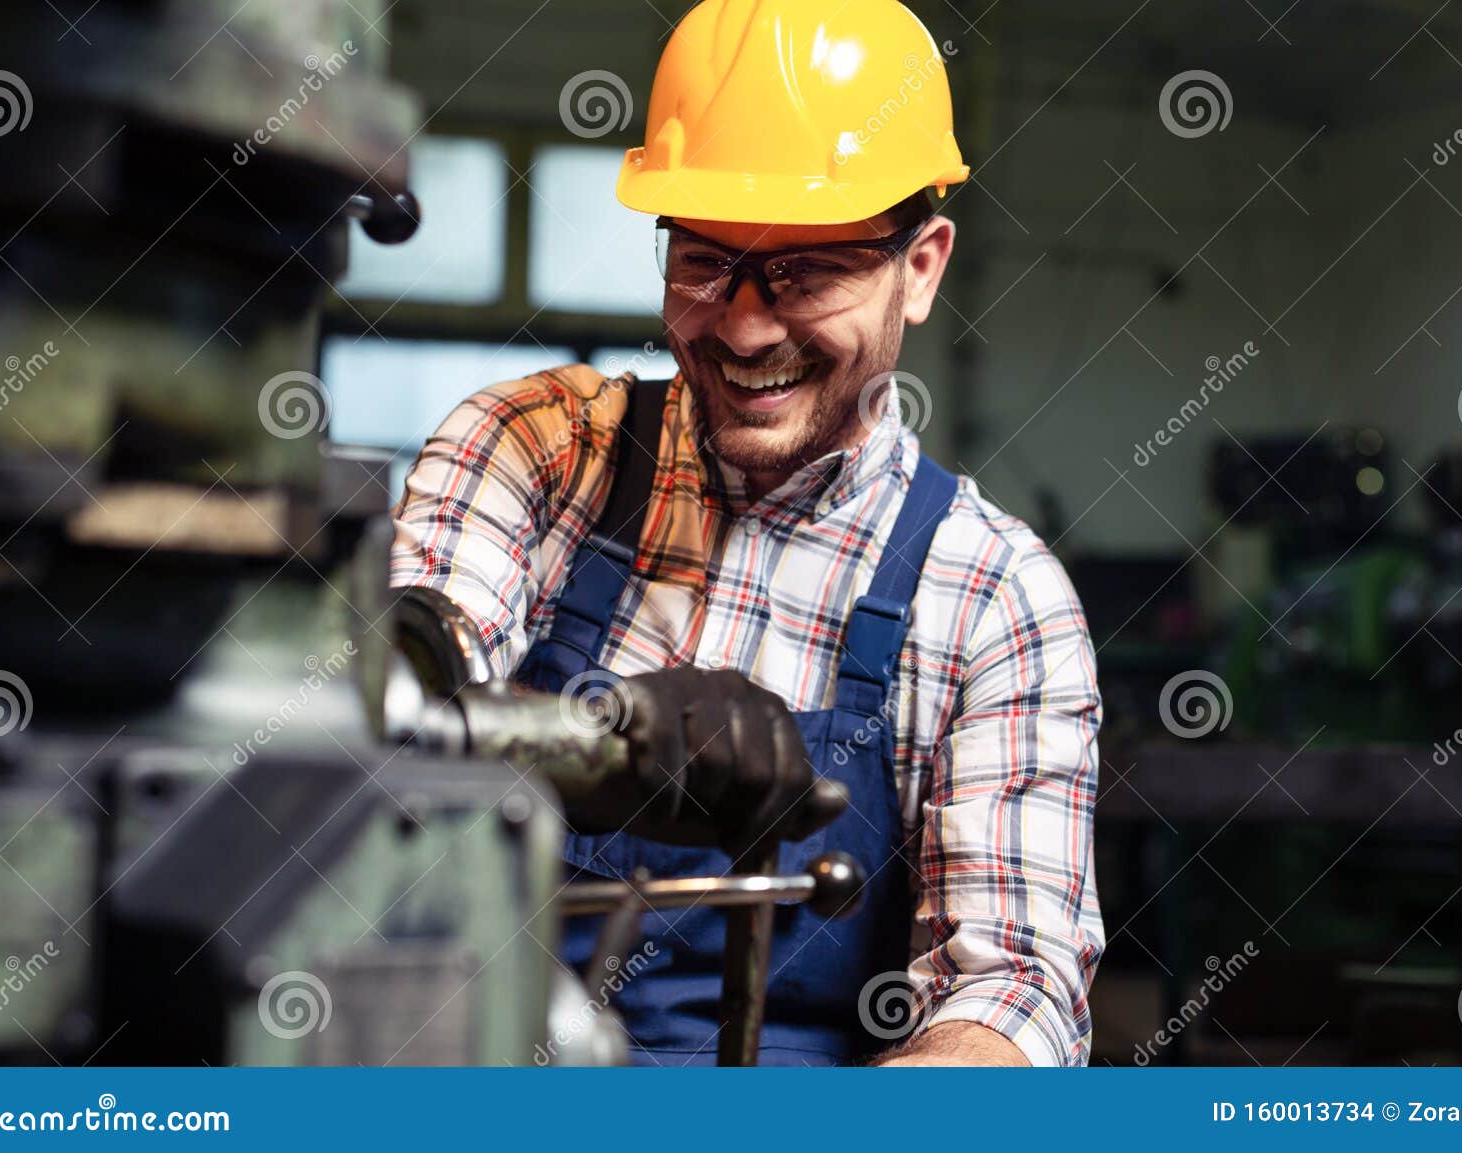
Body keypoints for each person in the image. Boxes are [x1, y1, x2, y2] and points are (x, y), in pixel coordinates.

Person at [391, 0, 1103, 1067]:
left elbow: (1012, 990)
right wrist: (589, 735)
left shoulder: (994, 595)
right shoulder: (537, 449)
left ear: (920, 266)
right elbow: (380, 717)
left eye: (807, 270)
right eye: (705, 260)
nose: (743, 324)